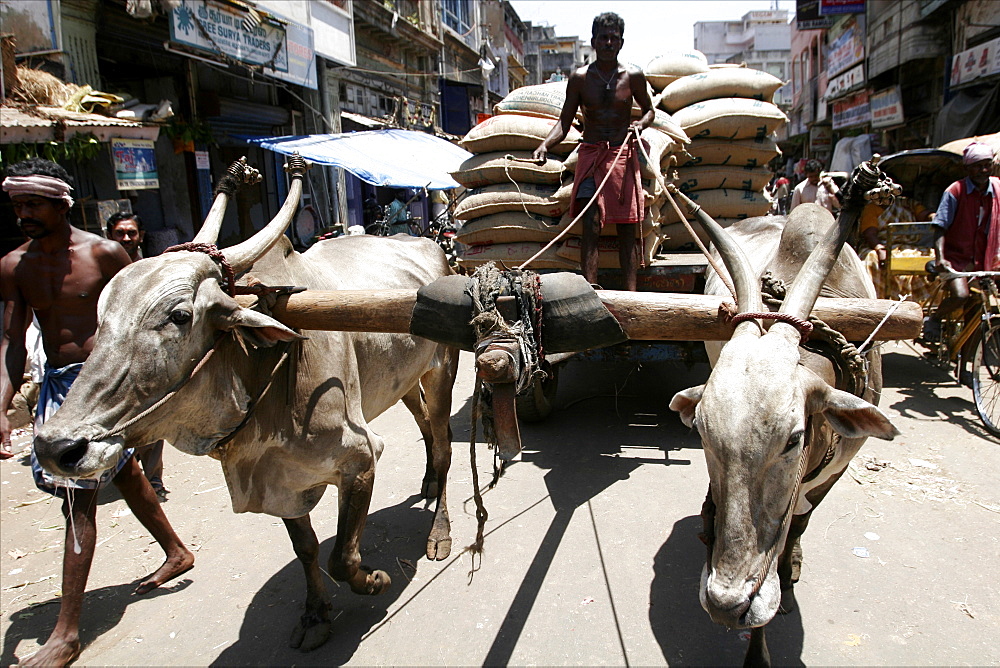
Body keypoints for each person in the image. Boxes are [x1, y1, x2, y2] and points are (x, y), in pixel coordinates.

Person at [1, 158, 193, 667]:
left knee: (75, 499)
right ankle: (177, 552)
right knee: (125, 474)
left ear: (62, 203)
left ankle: (66, 634)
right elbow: (14, 343)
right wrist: (1, 408)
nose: (24, 213)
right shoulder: (14, 265)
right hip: (60, 387)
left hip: (103, 385)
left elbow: (146, 314)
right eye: (18, 204)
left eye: (33, 203)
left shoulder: (104, 253)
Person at [533, 12, 653, 291]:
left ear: (621, 42)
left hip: (622, 155)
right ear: (594, 41)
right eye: (603, 38)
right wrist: (543, 145)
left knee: (626, 226)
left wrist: (640, 124)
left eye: (614, 38)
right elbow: (564, 122)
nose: (609, 42)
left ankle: (632, 294)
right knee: (591, 221)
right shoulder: (580, 78)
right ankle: (590, 290)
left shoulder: (633, 76)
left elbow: (650, 111)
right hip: (591, 156)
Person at [105, 212, 167, 498]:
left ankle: (153, 480)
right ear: (111, 236)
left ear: (141, 236)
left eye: (131, 233)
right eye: (120, 233)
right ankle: (121, 472)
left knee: (152, 417)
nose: (126, 238)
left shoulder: (154, 269)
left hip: (148, 353)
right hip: (112, 353)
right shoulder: (102, 266)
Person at [924, 142, 1000, 342]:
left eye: (987, 164)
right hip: (955, 257)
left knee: (975, 315)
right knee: (961, 296)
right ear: (967, 169)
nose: (983, 170)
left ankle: (966, 371)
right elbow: (940, 227)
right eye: (977, 165)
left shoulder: (998, 189)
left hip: (985, 258)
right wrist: (941, 258)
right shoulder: (955, 191)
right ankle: (934, 318)